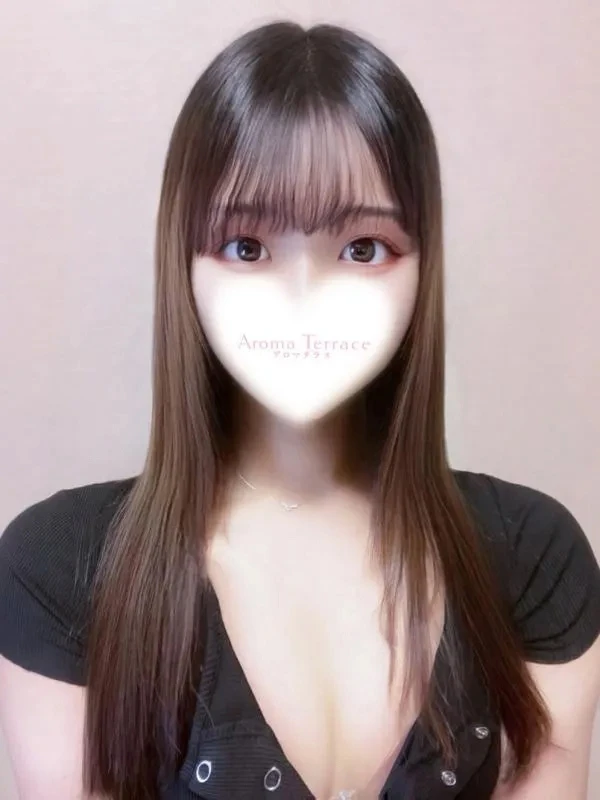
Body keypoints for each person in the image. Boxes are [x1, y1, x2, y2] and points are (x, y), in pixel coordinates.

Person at [0, 19, 599, 800]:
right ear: (184, 263)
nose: (305, 299)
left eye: (363, 248)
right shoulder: (60, 571)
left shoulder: (534, 558)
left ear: (422, 266)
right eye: (247, 247)